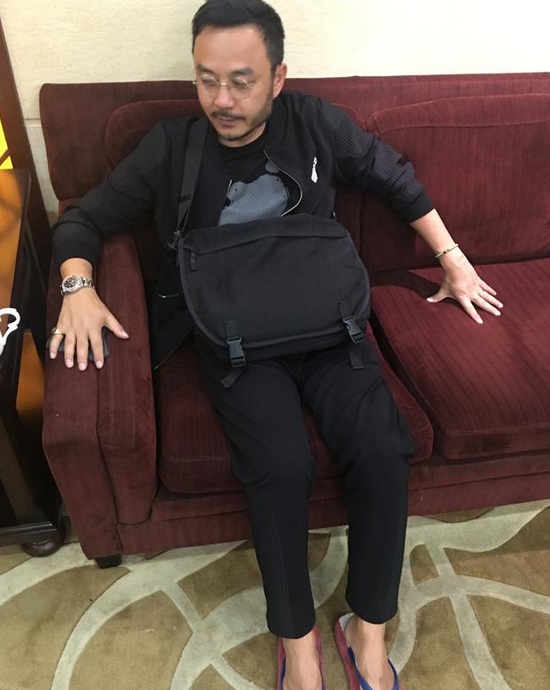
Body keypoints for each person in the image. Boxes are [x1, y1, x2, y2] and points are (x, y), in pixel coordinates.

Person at [48, 1, 503, 688]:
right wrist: (78, 285)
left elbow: (394, 176)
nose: (221, 100)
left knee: (383, 448)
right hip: (234, 339)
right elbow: (83, 216)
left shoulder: (315, 122)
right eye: (206, 80)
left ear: (278, 77)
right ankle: (297, 641)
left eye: (242, 81)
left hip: (330, 325)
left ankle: (367, 629)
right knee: (280, 466)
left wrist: (454, 259)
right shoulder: (172, 147)